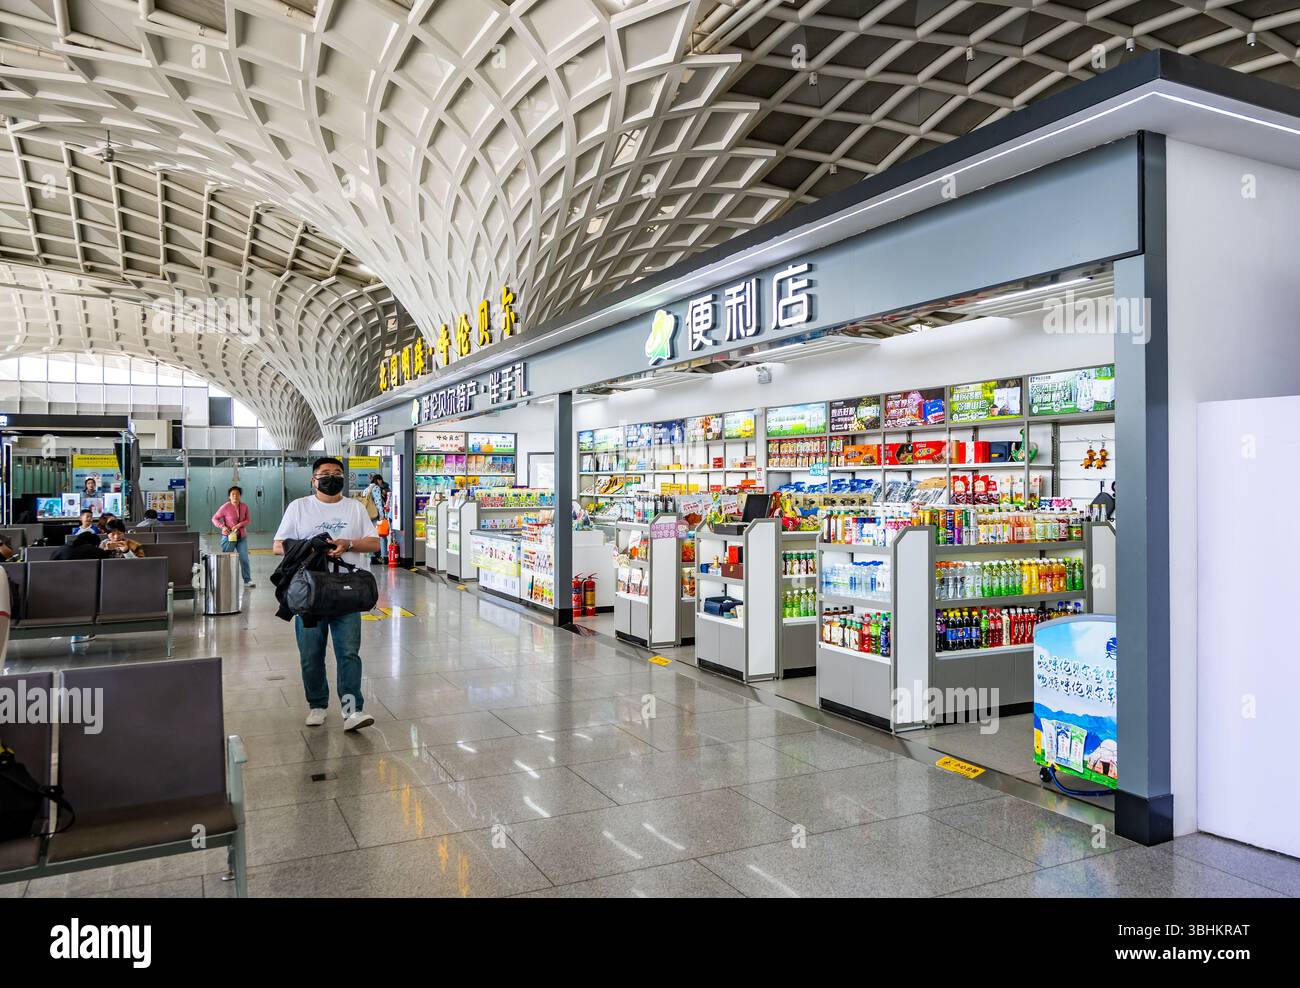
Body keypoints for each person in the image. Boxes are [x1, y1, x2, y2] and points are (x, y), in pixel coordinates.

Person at [273, 457, 379, 732]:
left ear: (344, 478)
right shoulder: (299, 507)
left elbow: (373, 542)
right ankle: (317, 704)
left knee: (348, 653)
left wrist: (349, 543)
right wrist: (311, 547)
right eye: (325, 473)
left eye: (337, 473)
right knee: (311, 654)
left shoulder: (355, 507)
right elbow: (277, 546)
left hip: (346, 592)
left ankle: (352, 710)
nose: (331, 477)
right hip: (309, 594)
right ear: (313, 479)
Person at [212, 485, 254, 587]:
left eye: (237, 494)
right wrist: (222, 527)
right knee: (226, 559)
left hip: (241, 537)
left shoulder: (244, 506)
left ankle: (247, 580)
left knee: (244, 558)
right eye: (233, 494)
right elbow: (214, 518)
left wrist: (240, 525)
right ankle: (224, 580)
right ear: (229, 496)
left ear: (240, 496)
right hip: (229, 537)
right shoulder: (225, 507)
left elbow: (248, 520)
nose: (235, 496)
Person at [363, 473, 388, 564]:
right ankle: (384, 556)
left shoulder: (366, 489)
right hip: (375, 515)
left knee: (371, 536)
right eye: (381, 480)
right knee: (382, 535)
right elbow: (378, 502)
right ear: (378, 480)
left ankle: (372, 557)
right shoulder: (376, 488)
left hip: (368, 515)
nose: (382, 482)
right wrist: (382, 514)